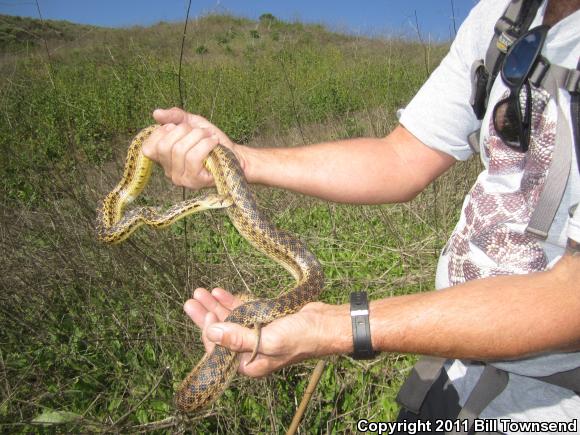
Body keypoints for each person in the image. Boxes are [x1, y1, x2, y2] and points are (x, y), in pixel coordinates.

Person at [142, 0, 580, 431]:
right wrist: (240, 160)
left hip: (555, 401)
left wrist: (335, 328)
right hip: (452, 366)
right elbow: (402, 157)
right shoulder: (504, 16)